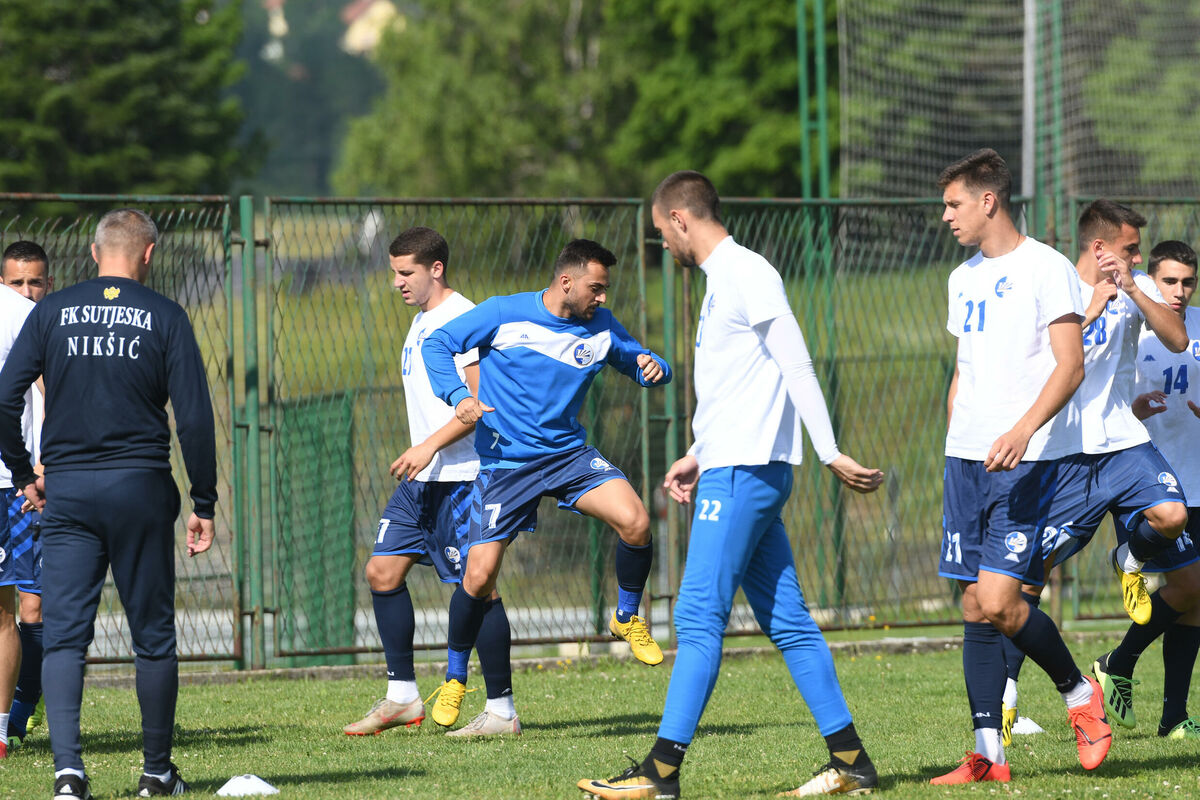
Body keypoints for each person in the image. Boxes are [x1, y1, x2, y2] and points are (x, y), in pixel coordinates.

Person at [579, 170, 884, 800]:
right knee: (789, 622)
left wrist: (829, 451)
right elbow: (741, 387)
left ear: (681, 219)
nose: (663, 243)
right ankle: (852, 761)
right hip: (734, 465)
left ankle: (661, 773)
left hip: (746, 473)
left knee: (696, 616)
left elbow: (796, 363)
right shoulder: (721, 281)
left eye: (662, 231)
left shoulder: (747, 272)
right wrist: (698, 453)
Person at [0, 209, 218, 799]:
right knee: (153, 636)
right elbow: (194, 418)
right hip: (140, 487)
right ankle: (156, 772)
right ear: (148, 254)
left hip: (68, 491)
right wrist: (203, 500)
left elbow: (4, 398)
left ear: (95, 254)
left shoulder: (51, 311)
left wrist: (22, 473)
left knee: (65, 637)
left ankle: (68, 775)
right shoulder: (166, 315)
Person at [422, 238, 671, 729]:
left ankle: (626, 616)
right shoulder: (503, 313)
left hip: (567, 456)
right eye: (595, 288)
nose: (602, 297)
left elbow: (641, 363)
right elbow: (438, 343)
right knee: (478, 577)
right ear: (566, 282)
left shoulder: (601, 326)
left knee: (636, 521)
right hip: (506, 464)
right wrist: (458, 396)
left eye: (605, 289)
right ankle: (455, 677)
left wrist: (655, 368)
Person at [931, 149, 1112, 784]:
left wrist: (1022, 429)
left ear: (989, 201)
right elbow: (964, 369)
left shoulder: (1046, 267)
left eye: (954, 203)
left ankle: (1080, 694)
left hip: (1026, 460)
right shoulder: (961, 278)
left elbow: (1071, 365)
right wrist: (955, 434)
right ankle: (990, 757)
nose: (946, 215)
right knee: (973, 605)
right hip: (965, 460)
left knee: (1002, 600)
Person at [995, 204, 1191, 748]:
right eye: (1129, 249)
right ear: (1099, 248)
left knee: (1171, 515)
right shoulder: (1052, 283)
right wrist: (1090, 309)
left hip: (1124, 444)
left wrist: (1132, 289)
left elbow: (1177, 339)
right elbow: (1034, 364)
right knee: (1027, 579)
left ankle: (1130, 558)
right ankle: (1005, 699)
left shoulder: (1138, 284)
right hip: (1066, 455)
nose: (1137, 258)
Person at [342, 227, 519, 738]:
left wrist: (428, 447)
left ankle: (502, 711)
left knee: (479, 589)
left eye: (407, 273)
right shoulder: (421, 319)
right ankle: (402, 698)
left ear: (435, 269)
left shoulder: (464, 318)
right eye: (394, 272)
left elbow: (479, 405)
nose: (397, 282)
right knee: (382, 572)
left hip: (462, 478)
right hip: (425, 479)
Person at [1095, 239, 1200, 739]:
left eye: (1188, 282)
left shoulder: (1194, 328)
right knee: (1192, 585)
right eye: (1169, 281)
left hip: (1199, 480)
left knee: (1195, 598)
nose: (1179, 291)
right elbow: (1107, 396)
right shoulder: (1132, 325)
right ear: (1151, 280)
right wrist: (1132, 411)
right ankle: (1119, 661)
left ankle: (1174, 715)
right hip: (1156, 485)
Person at [0, 241, 52, 752]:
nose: (26, 291)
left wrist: (44, 465)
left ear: (48, 284)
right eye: (17, 283)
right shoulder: (12, 323)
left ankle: (22, 709)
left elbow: (51, 394)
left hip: (31, 485)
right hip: (11, 480)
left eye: (35, 282)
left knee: (33, 606)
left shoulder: (44, 329)